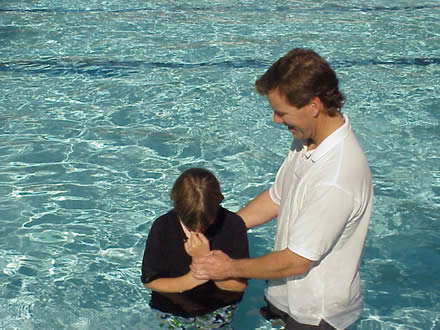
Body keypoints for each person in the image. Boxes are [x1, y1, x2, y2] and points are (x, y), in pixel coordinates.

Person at [190, 49, 374, 329]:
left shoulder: (336, 178)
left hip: (315, 313)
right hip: (285, 293)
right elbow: (278, 197)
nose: (276, 120)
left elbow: (296, 262)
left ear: (313, 105)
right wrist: (225, 226)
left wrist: (230, 268)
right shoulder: (307, 139)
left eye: (281, 112)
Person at [141, 167, 249, 329]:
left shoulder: (232, 225)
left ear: (220, 201)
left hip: (219, 306)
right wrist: (193, 278)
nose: (198, 230)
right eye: (189, 223)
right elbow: (151, 281)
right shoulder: (163, 227)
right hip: (173, 308)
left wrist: (205, 262)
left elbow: (238, 285)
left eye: (206, 223)